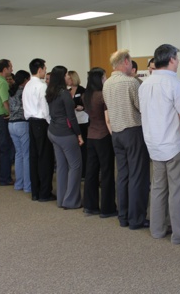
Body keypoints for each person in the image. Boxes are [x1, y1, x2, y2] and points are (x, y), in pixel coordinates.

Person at [140, 44, 180, 244]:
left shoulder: (144, 84)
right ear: (172, 59)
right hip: (175, 145)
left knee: (158, 188)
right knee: (178, 191)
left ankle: (157, 229)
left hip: (154, 144)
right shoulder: (176, 85)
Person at [103, 50, 150, 230]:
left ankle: (123, 216)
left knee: (123, 175)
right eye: (130, 62)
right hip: (133, 131)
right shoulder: (131, 82)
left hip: (116, 133)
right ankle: (136, 218)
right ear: (125, 62)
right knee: (138, 175)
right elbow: (141, 107)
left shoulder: (107, 83)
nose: (131, 65)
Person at [47, 66, 84, 210]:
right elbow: (71, 117)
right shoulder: (64, 94)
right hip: (65, 134)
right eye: (66, 75)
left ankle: (62, 199)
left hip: (53, 132)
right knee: (75, 166)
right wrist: (79, 134)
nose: (68, 77)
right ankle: (71, 201)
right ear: (62, 77)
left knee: (61, 166)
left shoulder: (51, 92)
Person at [82, 67, 117, 218]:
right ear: (99, 79)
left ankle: (90, 206)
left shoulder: (86, 95)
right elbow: (108, 119)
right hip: (104, 136)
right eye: (104, 77)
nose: (106, 79)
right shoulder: (103, 96)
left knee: (91, 172)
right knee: (107, 172)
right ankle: (107, 208)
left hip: (91, 135)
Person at [23, 58, 56, 202]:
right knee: (45, 158)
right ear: (40, 69)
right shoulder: (41, 86)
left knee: (34, 157)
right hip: (42, 123)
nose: (46, 70)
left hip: (31, 122)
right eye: (45, 68)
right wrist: (50, 122)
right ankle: (45, 193)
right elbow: (45, 108)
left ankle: (35, 192)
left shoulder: (27, 85)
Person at [8, 70, 31, 193]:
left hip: (11, 124)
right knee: (26, 155)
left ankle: (19, 184)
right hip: (22, 123)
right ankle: (27, 186)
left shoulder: (12, 90)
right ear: (25, 80)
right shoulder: (24, 91)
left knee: (18, 154)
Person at [67, 70, 88, 178]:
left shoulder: (82, 90)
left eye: (69, 78)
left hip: (82, 120)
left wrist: (82, 108)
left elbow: (87, 105)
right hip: (72, 122)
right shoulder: (68, 91)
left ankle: (84, 171)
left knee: (83, 147)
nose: (68, 80)